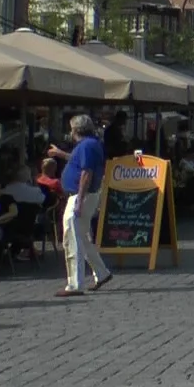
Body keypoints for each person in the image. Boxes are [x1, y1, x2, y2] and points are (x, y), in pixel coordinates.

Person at [57, 115, 115, 297]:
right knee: (82, 237)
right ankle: (102, 273)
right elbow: (80, 163)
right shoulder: (89, 145)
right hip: (84, 195)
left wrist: (79, 200)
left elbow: (86, 173)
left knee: (72, 239)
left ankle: (75, 284)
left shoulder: (87, 145)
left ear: (76, 130)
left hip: (80, 196)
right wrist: (61, 154)